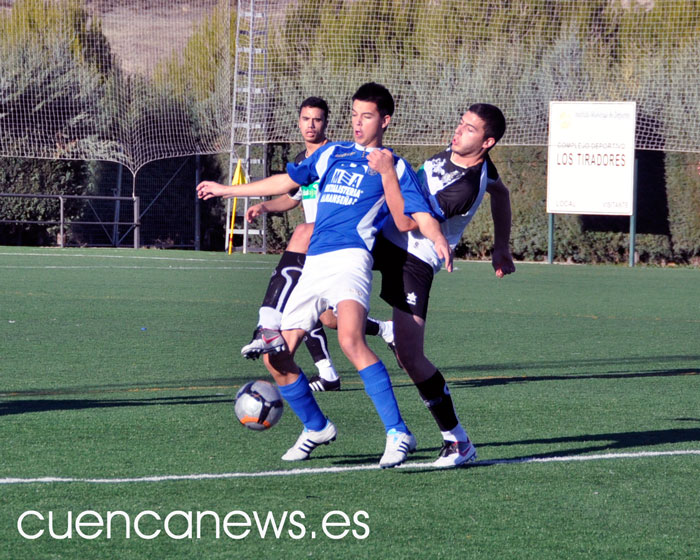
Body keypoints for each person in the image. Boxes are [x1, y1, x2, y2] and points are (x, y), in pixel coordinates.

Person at [198, 83, 452, 468]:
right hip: (314, 263)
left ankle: (398, 432)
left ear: (384, 120)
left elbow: (413, 216)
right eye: (353, 115)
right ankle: (317, 427)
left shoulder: (394, 165)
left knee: (350, 340)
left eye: (366, 116)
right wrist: (228, 191)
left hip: (351, 258)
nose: (358, 123)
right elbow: (287, 183)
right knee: (276, 357)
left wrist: (437, 240)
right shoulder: (333, 152)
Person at [200, 96, 394, 392]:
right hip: (319, 252)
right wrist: (260, 205)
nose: (311, 125)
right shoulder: (308, 163)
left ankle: (267, 325)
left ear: (326, 122)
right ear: (299, 122)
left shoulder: (340, 154)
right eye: (306, 119)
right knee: (330, 320)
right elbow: (290, 195)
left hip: (339, 242)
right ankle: (370, 339)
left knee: (302, 235)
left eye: (317, 119)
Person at [374, 103, 516, 468]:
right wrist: (502, 246)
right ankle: (381, 329)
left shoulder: (466, 187)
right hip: (384, 241)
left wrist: (389, 172)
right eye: (461, 122)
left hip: (414, 259)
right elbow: (501, 194)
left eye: (469, 129)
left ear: (486, 142)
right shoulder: (470, 160)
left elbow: (408, 220)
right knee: (329, 310)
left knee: (410, 357)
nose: (458, 131)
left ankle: (458, 442)